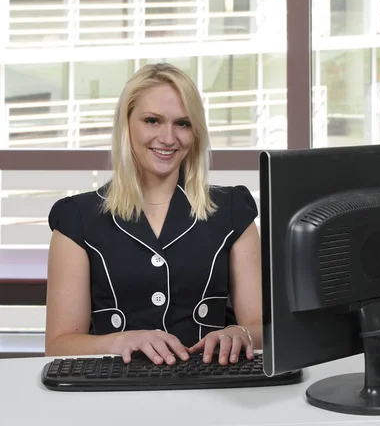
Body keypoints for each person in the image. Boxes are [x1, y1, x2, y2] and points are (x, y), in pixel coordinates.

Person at [45, 63, 262, 367]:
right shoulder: (76, 220)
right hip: (116, 393)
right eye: (152, 121)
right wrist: (120, 341)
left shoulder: (233, 211)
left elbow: (261, 324)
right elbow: (58, 345)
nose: (169, 138)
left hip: (215, 390)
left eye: (183, 124)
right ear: (127, 124)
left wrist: (241, 333)